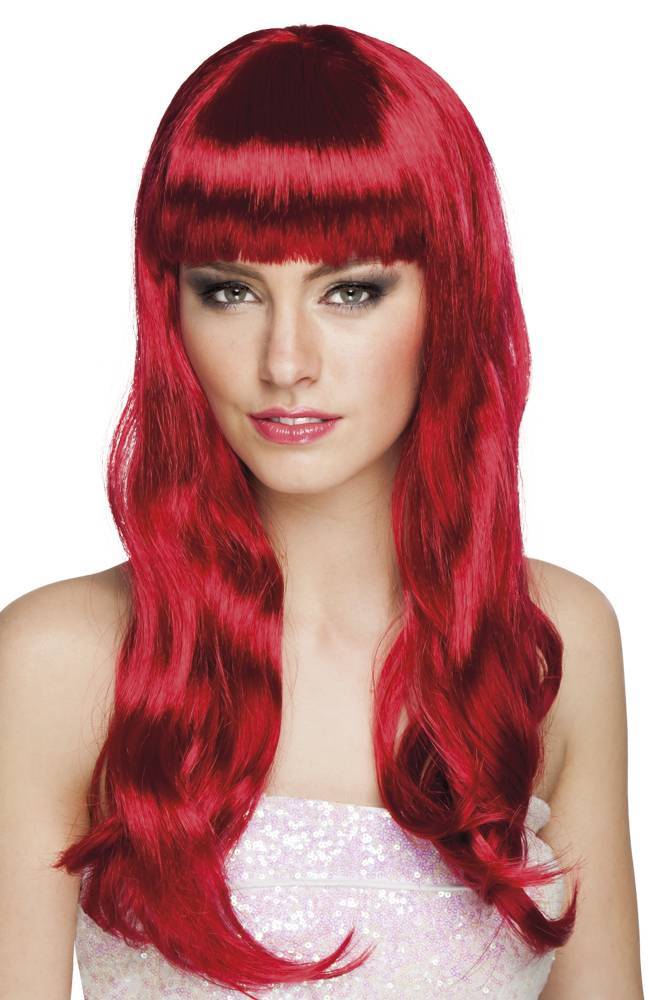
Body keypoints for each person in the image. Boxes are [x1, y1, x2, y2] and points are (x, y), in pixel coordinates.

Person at [0, 22, 642, 1000]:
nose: (284, 360)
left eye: (349, 290)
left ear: (450, 295)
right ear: (171, 307)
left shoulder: (549, 641)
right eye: (230, 290)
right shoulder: (62, 662)